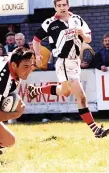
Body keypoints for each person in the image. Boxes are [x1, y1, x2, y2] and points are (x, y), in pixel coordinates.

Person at [29, 0, 109, 138]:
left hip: (75, 61)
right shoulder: (49, 23)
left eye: (64, 5)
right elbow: (36, 39)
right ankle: (95, 129)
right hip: (63, 61)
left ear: (68, 5)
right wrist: (37, 55)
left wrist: (83, 35)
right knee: (81, 97)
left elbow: (89, 38)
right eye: (58, 5)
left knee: (64, 91)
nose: (61, 8)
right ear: (55, 7)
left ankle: (37, 90)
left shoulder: (77, 19)